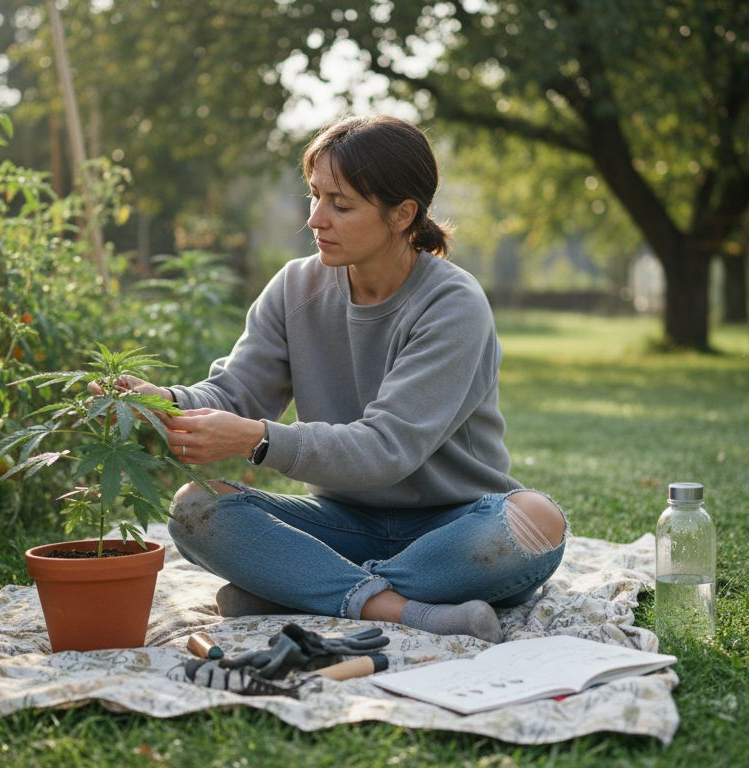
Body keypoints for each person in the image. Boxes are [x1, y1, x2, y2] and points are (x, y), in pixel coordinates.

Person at [101, 115, 567, 644]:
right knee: (196, 506)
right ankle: (401, 607)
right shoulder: (295, 286)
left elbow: (387, 448)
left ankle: (300, 587)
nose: (317, 219)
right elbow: (235, 393)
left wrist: (259, 439)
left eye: (341, 205)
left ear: (403, 214)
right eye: (314, 196)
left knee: (536, 521)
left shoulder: (452, 305)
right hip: (339, 523)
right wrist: (164, 402)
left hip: (453, 529)